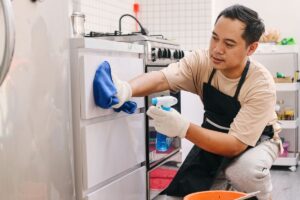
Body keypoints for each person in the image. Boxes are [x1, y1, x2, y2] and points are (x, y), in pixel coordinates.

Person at [112, 4, 281, 200]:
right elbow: (162, 78)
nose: (217, 49)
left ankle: (264, 197)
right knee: (187, 193)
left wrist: (184, 128)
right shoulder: (202, 62)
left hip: (258, 141)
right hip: (214, 134)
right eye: (214, 38)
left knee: (242, 172)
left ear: (251, 48)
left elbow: (235, 145)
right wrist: (126, 89)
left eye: (229, 44)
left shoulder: (261, 85)